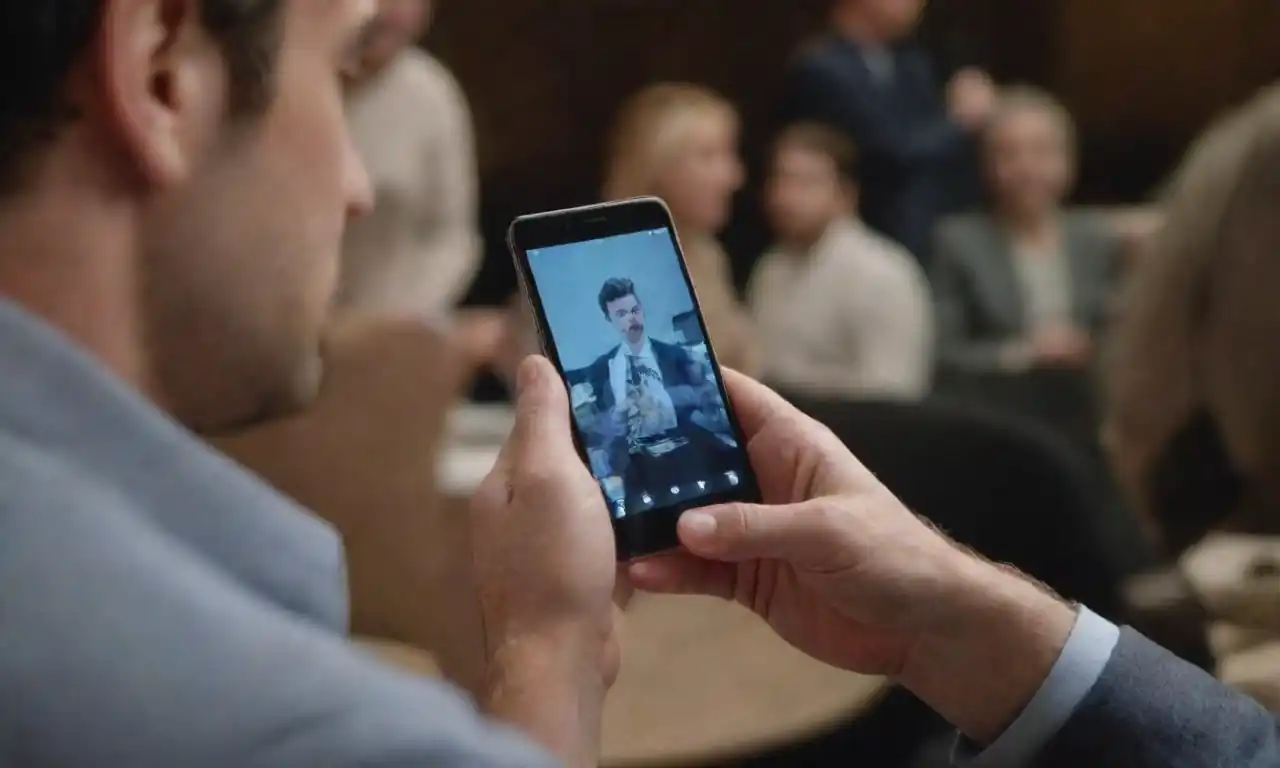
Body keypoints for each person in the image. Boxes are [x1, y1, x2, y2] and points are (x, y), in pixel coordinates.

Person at [0, 1, 613, 764]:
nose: (357, 188)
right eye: (337, 66)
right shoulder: (311, 735)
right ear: (161, 75)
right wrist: (550, 649)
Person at [780, 0, 997, 262]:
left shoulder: (911, 62)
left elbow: (937, 150)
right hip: (868, 238)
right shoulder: (822, 68)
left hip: (936, 230)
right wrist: (960, 120)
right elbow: (891, 152)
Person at [932, 87, 1121, 384]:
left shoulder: (1095, 237)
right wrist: (1026, 353)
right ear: (987, 164)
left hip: (1086, 395)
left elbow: (1122, 337)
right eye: (1009, 154)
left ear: (1069, 161)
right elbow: (945, 354)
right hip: (999, 401)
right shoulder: (957, 241)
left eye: (1041, 152)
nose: (1027, 168)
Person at [750, 122, 933, 401]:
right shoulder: (769, 268)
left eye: (805, 183)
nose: (785, 197)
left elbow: (892, 393)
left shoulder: (883, 272)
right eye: (780, 180)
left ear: (845, 195)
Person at [337, 0, 482, 320]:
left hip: (396, 320)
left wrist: (407, 316)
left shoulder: (433, 94)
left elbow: (452, 236)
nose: (388, 12)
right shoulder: (296, 82)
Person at [605, 83, 760, 375]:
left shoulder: (708, 255)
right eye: (708, 156)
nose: (733, 177)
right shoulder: (607, 267)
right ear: (656, 165)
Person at [576, 278, 734, 509]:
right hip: (638, 458)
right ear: (609, 320)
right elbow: (597, 430)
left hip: (687, 445)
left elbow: (709, 400)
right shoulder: (601, 370)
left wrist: (679, 396)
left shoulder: (675, 354)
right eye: (621, 314)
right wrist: (615, 420)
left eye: (635, 310)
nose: (632, 319)